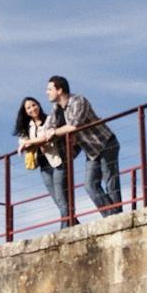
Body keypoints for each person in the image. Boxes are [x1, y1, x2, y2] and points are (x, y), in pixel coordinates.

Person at [42, 74, 122, 217]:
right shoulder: (57, 109)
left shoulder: (78, 101)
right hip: (91, 151)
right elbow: (47, 128)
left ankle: (118, 216)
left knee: (110, 180)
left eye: (49, 89)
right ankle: (112, 215)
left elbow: (74, 126)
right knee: (89, 185)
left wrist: (54, 132)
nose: (46, 92)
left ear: (59, 90)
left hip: (104, 142)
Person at [14, 95, 73, 226]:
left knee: (61, 198)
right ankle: (74, 225)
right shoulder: (28, 127)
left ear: (39, 105)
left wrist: (29, 142)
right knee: (58, 201)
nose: (32, 109)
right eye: (28, 108)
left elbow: (45, 137)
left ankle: (64, 231)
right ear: (25, 112)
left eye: (34, 105)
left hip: (58, 162)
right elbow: (22, 141)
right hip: (44, 166)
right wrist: (26, 143)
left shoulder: (49, 119)